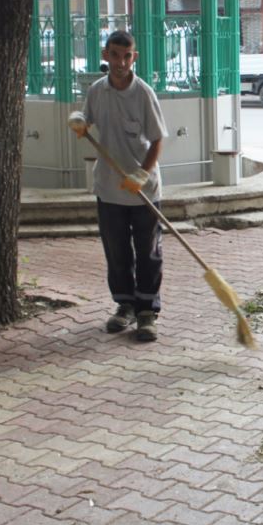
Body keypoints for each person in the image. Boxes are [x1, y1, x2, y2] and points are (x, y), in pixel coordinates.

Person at [70, 30, 167, 341]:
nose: (121, 62)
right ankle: (124, 306)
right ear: (105, 55)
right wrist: (79, 121)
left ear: (134, 57)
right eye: (115, 55)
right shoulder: (98, 91)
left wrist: (142, 174)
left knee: (147, 252)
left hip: (143, 191)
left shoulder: (143, 94)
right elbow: (86, 119)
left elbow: (157, 140)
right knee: (117, 251)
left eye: (127, 56)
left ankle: (146, 312)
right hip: (110, 189)